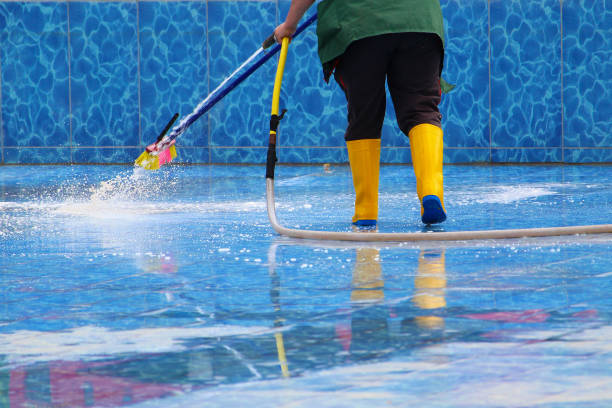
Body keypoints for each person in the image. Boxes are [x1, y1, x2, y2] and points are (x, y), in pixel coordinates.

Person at [274, 0, 449, 226]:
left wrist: (289, 24)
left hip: (359, 24)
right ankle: (431, 192)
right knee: (421, 109)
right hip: (419, 20)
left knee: (364, 115)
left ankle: (366, 211)